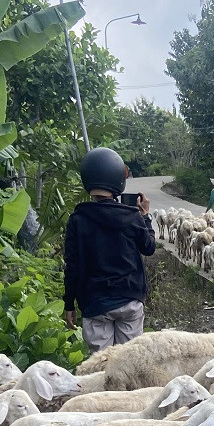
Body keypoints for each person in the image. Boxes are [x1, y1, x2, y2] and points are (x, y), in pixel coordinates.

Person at [63, 147, 157, 353]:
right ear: (118, 178)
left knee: (100, 368)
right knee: (127, 365)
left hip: (95, 303)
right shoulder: (132, 216)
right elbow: (149, 248)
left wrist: (69, 303)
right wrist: (146, 217)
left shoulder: (78, 220)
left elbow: (73, 266)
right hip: (129, 300)